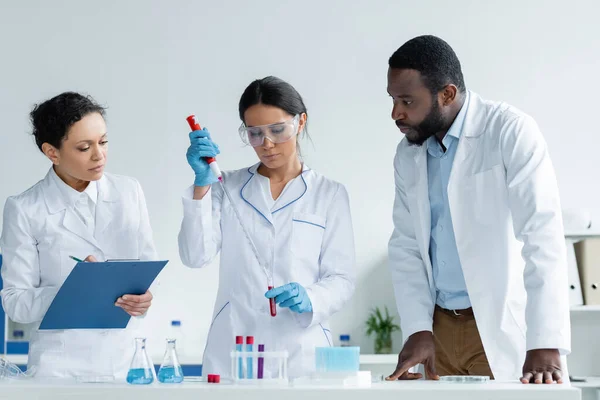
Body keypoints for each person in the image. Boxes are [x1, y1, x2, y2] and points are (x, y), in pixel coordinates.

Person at [385, 35, 570, 383]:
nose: (396, 113)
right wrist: (417, 328)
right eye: (393, 99)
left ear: (447, 94)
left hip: (497, 322)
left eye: (407, 100)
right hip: (437, 330)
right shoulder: (407, 154)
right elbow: (406, 245)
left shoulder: (509, 131)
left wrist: (545, 340)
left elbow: (541, 236)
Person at [178, 76, 355, 379]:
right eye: (255, 133)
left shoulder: (329, 194)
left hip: (301, 354)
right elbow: (195, 256)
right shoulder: (226, 187)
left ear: (301, 122)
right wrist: (201, 186)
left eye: (277, 130)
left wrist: (310, 297)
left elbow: (342, 279)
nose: (267, 144)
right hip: (234, 350)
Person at [0, 92, 157, 378]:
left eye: (104, 142)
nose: (99, 155)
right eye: (85, 147)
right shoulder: (24, 209)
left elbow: (145, 273)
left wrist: (144, 299)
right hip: (60, 368)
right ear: (52, 152)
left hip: (126, 363)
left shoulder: (129, 191)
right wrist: (74, 290)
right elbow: (15, 303)